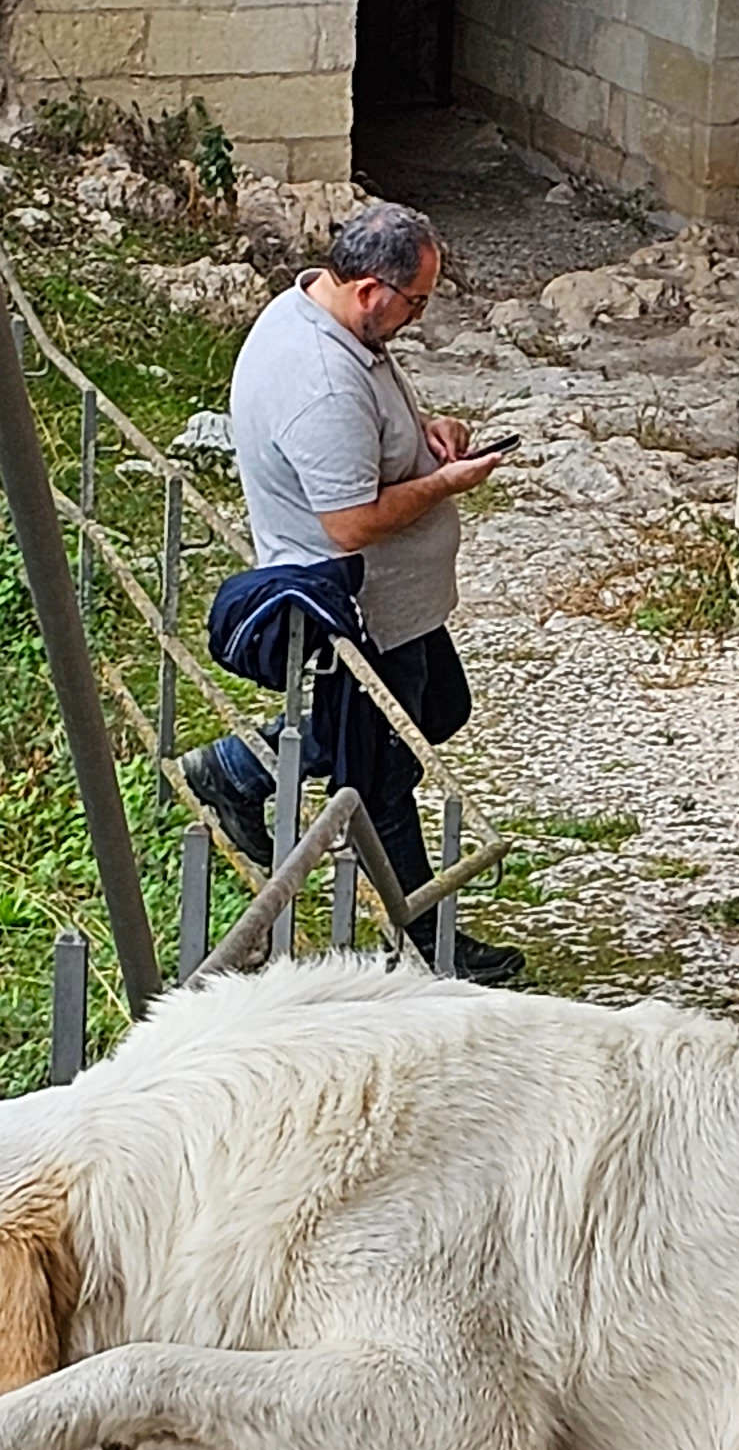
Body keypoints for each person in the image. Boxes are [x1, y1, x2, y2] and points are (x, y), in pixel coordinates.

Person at [183, 196, 525, 986]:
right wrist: (443, 483)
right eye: (416, 303)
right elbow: (350, 522)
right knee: (382, 779)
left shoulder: (321, 313)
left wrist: (423, 431)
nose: (419, 317)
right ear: (372, 290)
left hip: (402, 603)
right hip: (361, 606)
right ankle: (430, 952)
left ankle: (240, 767)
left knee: (438, 710)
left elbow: (367, 439)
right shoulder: (324, 380)